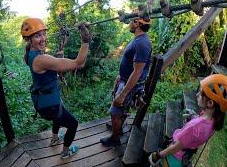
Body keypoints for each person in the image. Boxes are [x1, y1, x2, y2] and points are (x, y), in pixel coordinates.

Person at [21, 18, 91, 159]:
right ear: (29, 40)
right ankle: (65, 152)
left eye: (43, 34)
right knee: (73, 124)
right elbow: (79, 63)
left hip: (44, 101)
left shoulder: (30, 54)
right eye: (37, 36)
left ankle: (54, 138)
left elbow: (50, 66)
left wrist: (59, 56)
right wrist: (86, 41)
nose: (43, 39)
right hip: (49, 105)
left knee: (59, 114)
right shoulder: (42, 59)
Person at [149, 74, 227, 167]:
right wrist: (194, 116)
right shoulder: (214, 120)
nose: (197, 94)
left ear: (210, 103)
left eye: (200, 93)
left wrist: (157, 155)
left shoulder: (194, 127)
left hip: (173, 158)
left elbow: (175, 148)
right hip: (185, 155)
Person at [100, 14, 152, 147]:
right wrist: (120, 76)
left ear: (138, 23)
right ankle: (119, 128)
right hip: (125, 80)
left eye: (131, 21)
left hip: (131, 85)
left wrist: (123, 94)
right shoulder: (138, 39)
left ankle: (115, 138)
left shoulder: (142, 43)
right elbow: (131, 65)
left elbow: (137, 72)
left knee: (115, 111)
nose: (129, 23)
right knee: (118, 110)